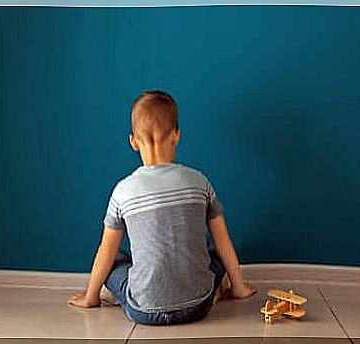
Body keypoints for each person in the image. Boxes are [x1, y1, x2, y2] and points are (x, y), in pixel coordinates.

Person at [67, 90, 257, 325]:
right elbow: (223, 240)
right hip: (200, 306)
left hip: (144, 311)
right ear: (176, 136)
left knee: (115, 257)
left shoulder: (122, 191)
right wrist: (238, 287)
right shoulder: (199, 182)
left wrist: (89, 297)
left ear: (133, 142)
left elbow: (105, 252)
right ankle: (219, 288)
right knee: (212, 248)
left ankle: (114, 294)